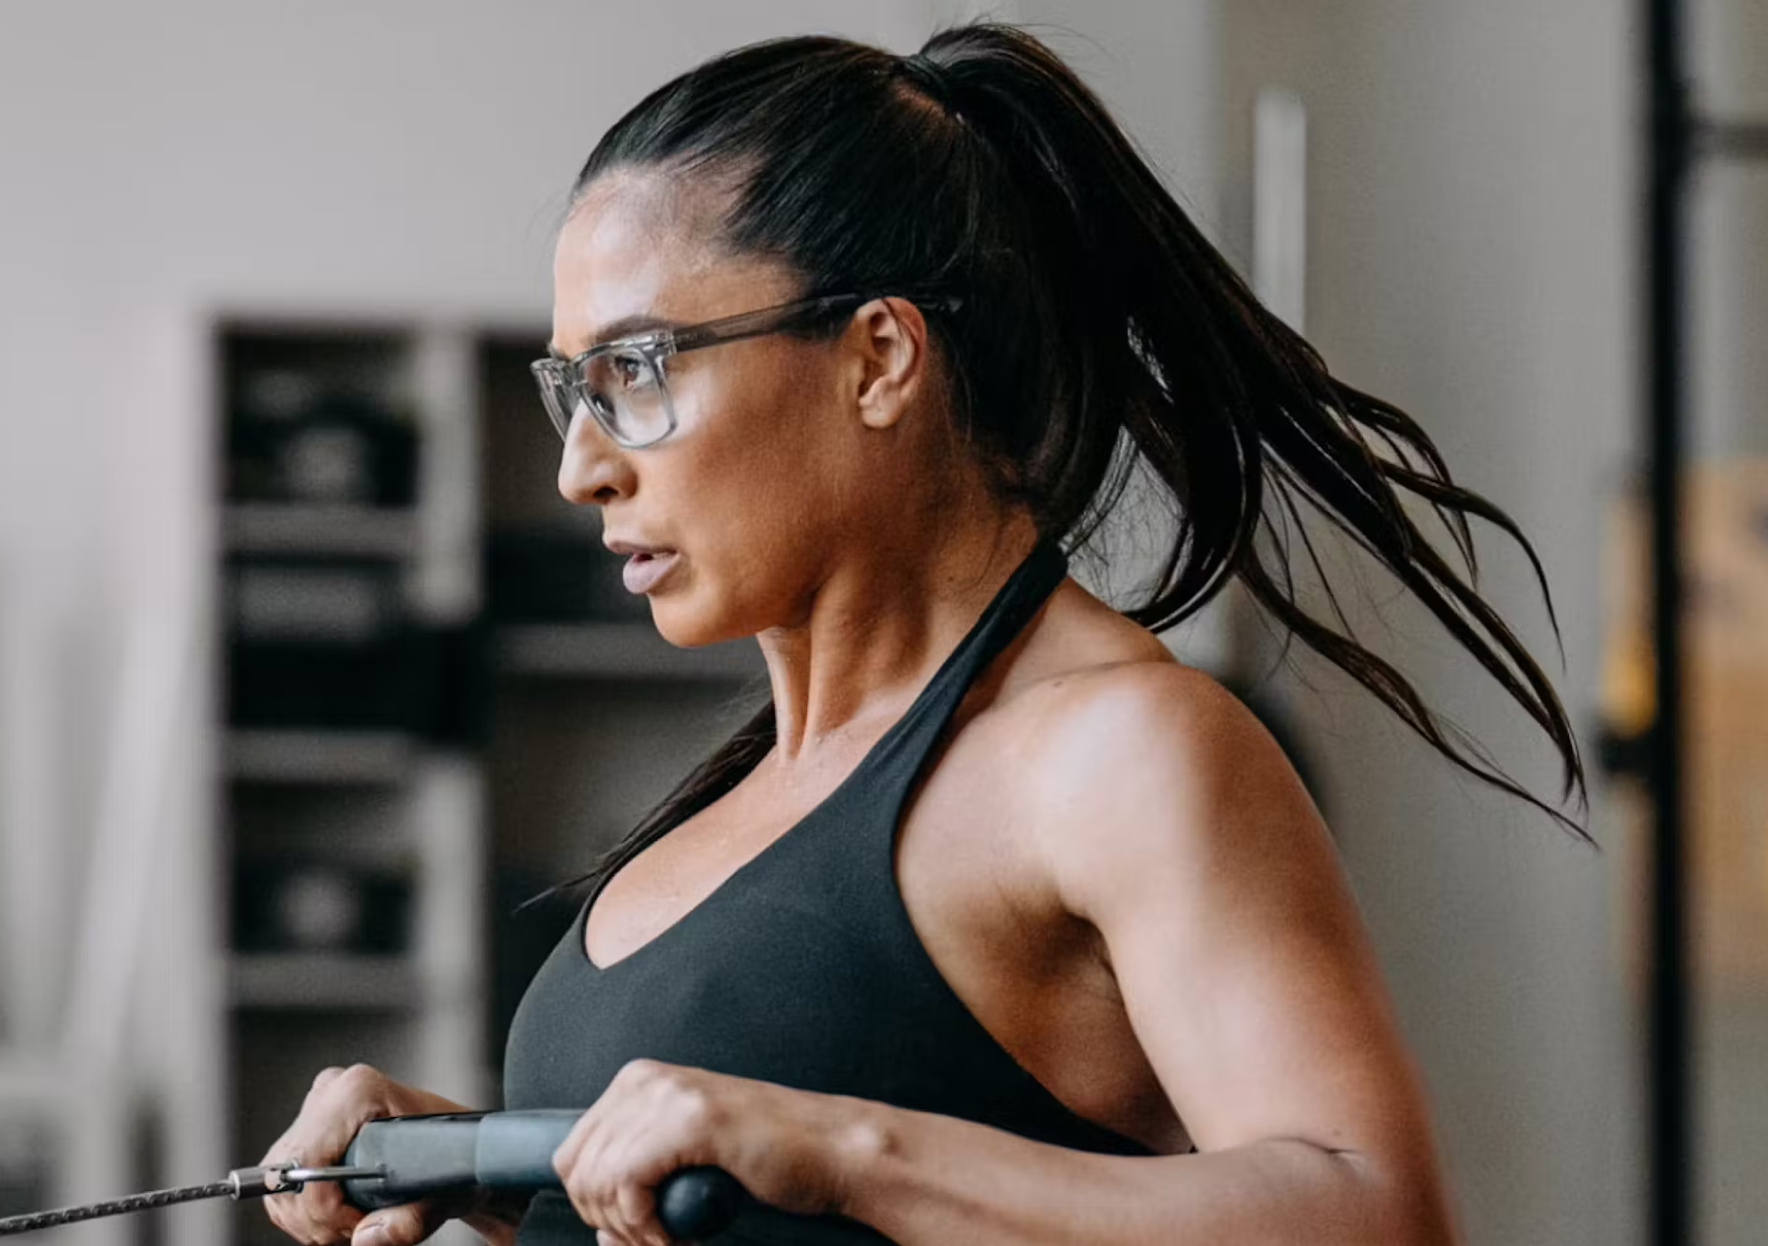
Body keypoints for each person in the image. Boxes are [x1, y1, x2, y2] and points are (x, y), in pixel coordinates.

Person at [260, 21, 1586, 1246]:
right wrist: (491, 1165)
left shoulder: (1121, 752)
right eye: (574, 390)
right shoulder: (760, 782)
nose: (580, 469)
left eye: (639, 370)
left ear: (880, 359)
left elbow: (1378, 1214)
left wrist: (845, 1151)